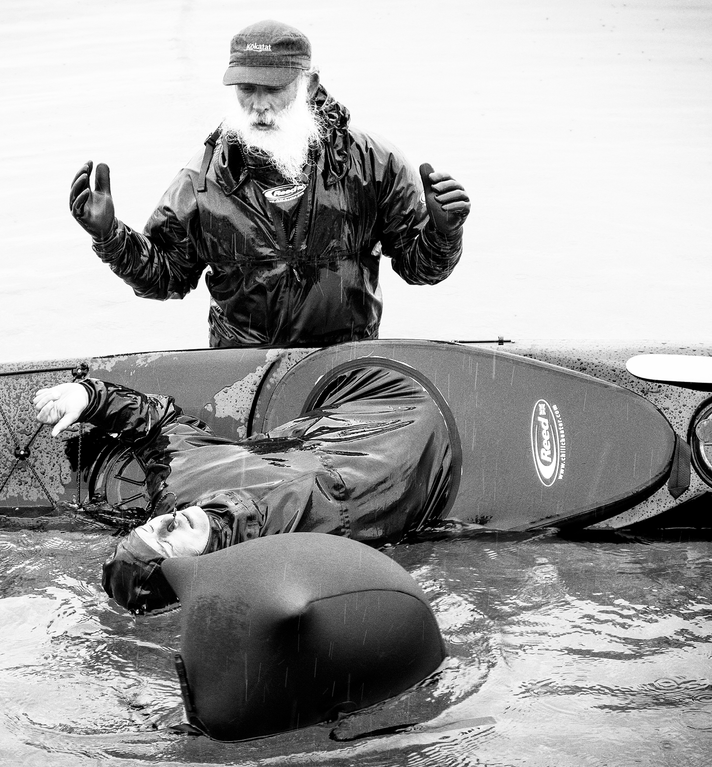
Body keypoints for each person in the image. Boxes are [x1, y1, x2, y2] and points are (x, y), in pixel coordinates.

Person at [68, 19, 471, 349]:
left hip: (348, 366)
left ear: (308, 85)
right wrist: (110, 237)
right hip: (244, 374)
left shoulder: (372, 164)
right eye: (247, 89)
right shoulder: (202, 181)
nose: (259, 106)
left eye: (274, 89)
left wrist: (443, 232)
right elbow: (166, 275)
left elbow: (423, 271)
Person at [32, 363, 456, 613]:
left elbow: (155, 422)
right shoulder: (278, 576)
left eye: (153, 524)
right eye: (164, 540)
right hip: (438, 476)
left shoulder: (182, 483)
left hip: (373, 393)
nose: (167, 520)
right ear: (188, 577)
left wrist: (90, 398)